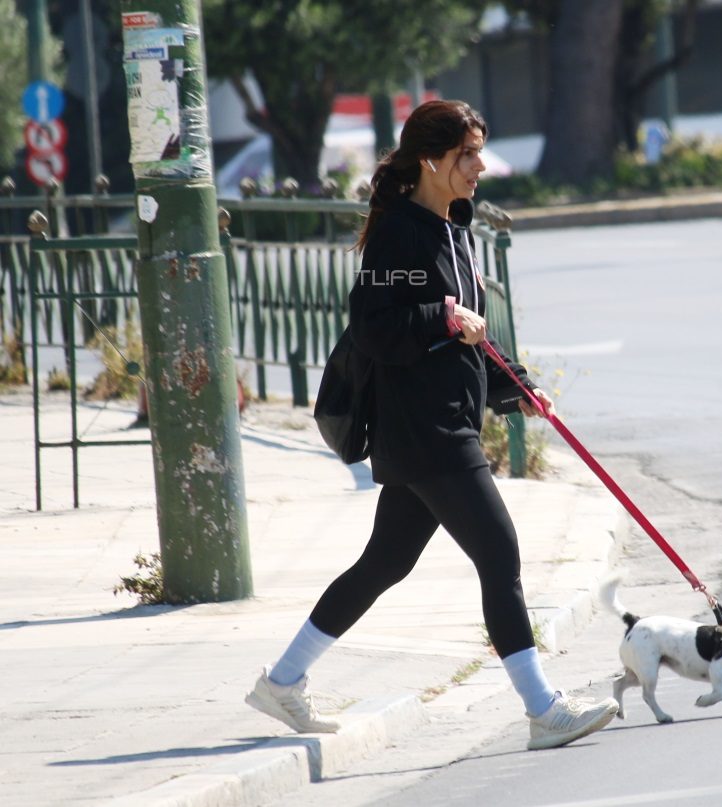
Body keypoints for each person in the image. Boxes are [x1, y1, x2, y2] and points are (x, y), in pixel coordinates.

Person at [245, 100, 618, 751]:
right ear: (431, 161)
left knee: (382, 563)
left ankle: (282, 680)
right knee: (499, 553)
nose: (479, 166)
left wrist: (516, 386)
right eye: (467, 154)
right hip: (427, 432)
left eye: (479, 152)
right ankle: (542, 707)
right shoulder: (402, 235)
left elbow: (468, 338)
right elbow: (375, 328)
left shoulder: (453, 228)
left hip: (442, 425)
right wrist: (442, 318)